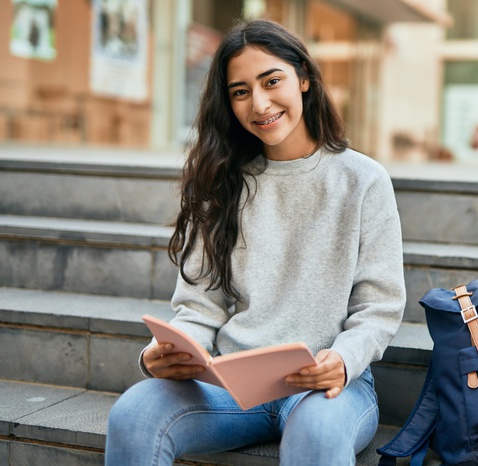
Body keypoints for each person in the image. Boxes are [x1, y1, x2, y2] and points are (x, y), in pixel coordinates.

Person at [104, 18, 406, 466]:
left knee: (317, 437)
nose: (259, 103)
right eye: (241, 91)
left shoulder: (363, 180)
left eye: (272, 81)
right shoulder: (222, 183)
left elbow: (378, 308)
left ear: (303, 78)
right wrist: (166, 353)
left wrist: (343, 360)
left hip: (327, 386)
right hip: (230, 387)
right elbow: (200, 307)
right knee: (133, 414)